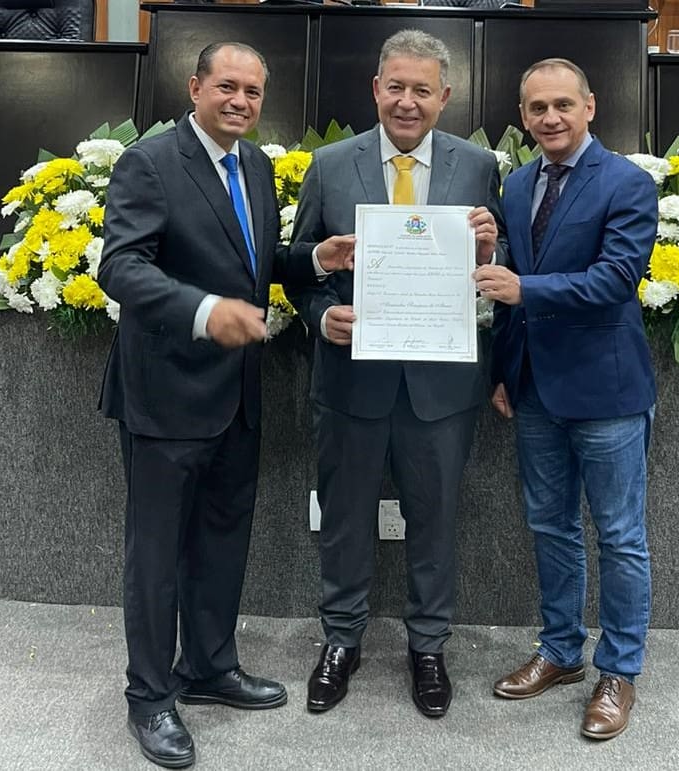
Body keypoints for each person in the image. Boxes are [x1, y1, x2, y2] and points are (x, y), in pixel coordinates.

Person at [98, 42, 353, 768]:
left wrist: (312, 259)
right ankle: (149, 697)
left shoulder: (258, 165)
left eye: (252, 91)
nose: (240, 101)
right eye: (227, 87)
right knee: (156, 555)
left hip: (236, 393)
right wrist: (205, 310)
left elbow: (248, 257)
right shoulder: (149, 163)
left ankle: (207, 666)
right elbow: (121, 265)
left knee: (220, 538)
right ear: (196, 87)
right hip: (165, 392)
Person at [285, 29, 506, 719]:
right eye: (395, 87)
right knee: (345, 517)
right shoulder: (329, 164)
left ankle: (429, 645)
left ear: (444, 96)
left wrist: (491, 245)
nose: (406, 102)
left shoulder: (478, 167)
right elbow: (300, 267)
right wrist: (322, 318)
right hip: (351, 378)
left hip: (441, 387)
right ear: (375, 89)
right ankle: (341, 639)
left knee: (434, 518)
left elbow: (495, 271)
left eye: (422, 90)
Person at [474, 58, 658, 740]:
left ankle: (619, 670)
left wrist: (527, 290)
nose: (549, 118)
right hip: (534, 390)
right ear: (522, 117)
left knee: (619, 535)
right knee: (550, 526)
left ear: (590, 107)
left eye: (562, 105)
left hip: (606, 391)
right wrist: (502, 370)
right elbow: (506, 285)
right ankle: (559, 651)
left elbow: (615, 279)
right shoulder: (518, 185)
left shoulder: (628, 183)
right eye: (536, 108)